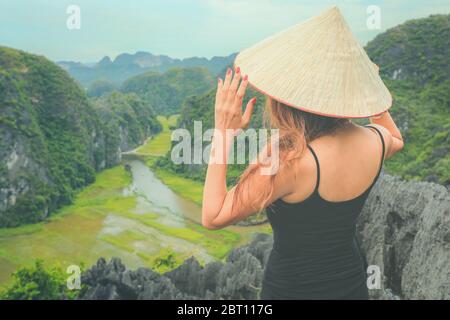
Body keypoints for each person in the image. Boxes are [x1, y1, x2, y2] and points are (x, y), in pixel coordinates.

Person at [201, 7, 404, 300]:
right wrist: (368, 89)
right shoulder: (376, 141)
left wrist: (223, 131)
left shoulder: (289, 162)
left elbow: (214, 215)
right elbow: (396, 137)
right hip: (351, 286)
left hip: (290, 291)